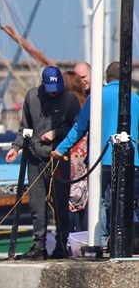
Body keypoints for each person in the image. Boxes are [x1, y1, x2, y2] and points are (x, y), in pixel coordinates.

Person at [54, 61, 139, 247]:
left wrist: (60, 149)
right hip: (131, 159)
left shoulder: (97, 97)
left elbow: (79, 127)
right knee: (129, 200)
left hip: (102, 159)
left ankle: (99, 241)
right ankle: (127, 241)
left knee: (100, 200)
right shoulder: (134, 98)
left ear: (106, 78)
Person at [5, 66, 81, 260]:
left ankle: (61, 245)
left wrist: (56, 134)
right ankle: (39, 246)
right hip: (35, 158)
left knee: (60, 204)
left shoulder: (69, 99)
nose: (54, 91)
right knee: (37, 206)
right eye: (50, 87)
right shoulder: (32, 97)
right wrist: (16, 147)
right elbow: (25, 128)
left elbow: (77, 127)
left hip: (58, 158)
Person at [62, 70, 89, 233]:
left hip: (69, 151)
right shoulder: (87, 103)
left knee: (67, 198)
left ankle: (69, 237)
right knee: (83, 196)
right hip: (84, 154)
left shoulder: (66, 105)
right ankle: (83, 235)